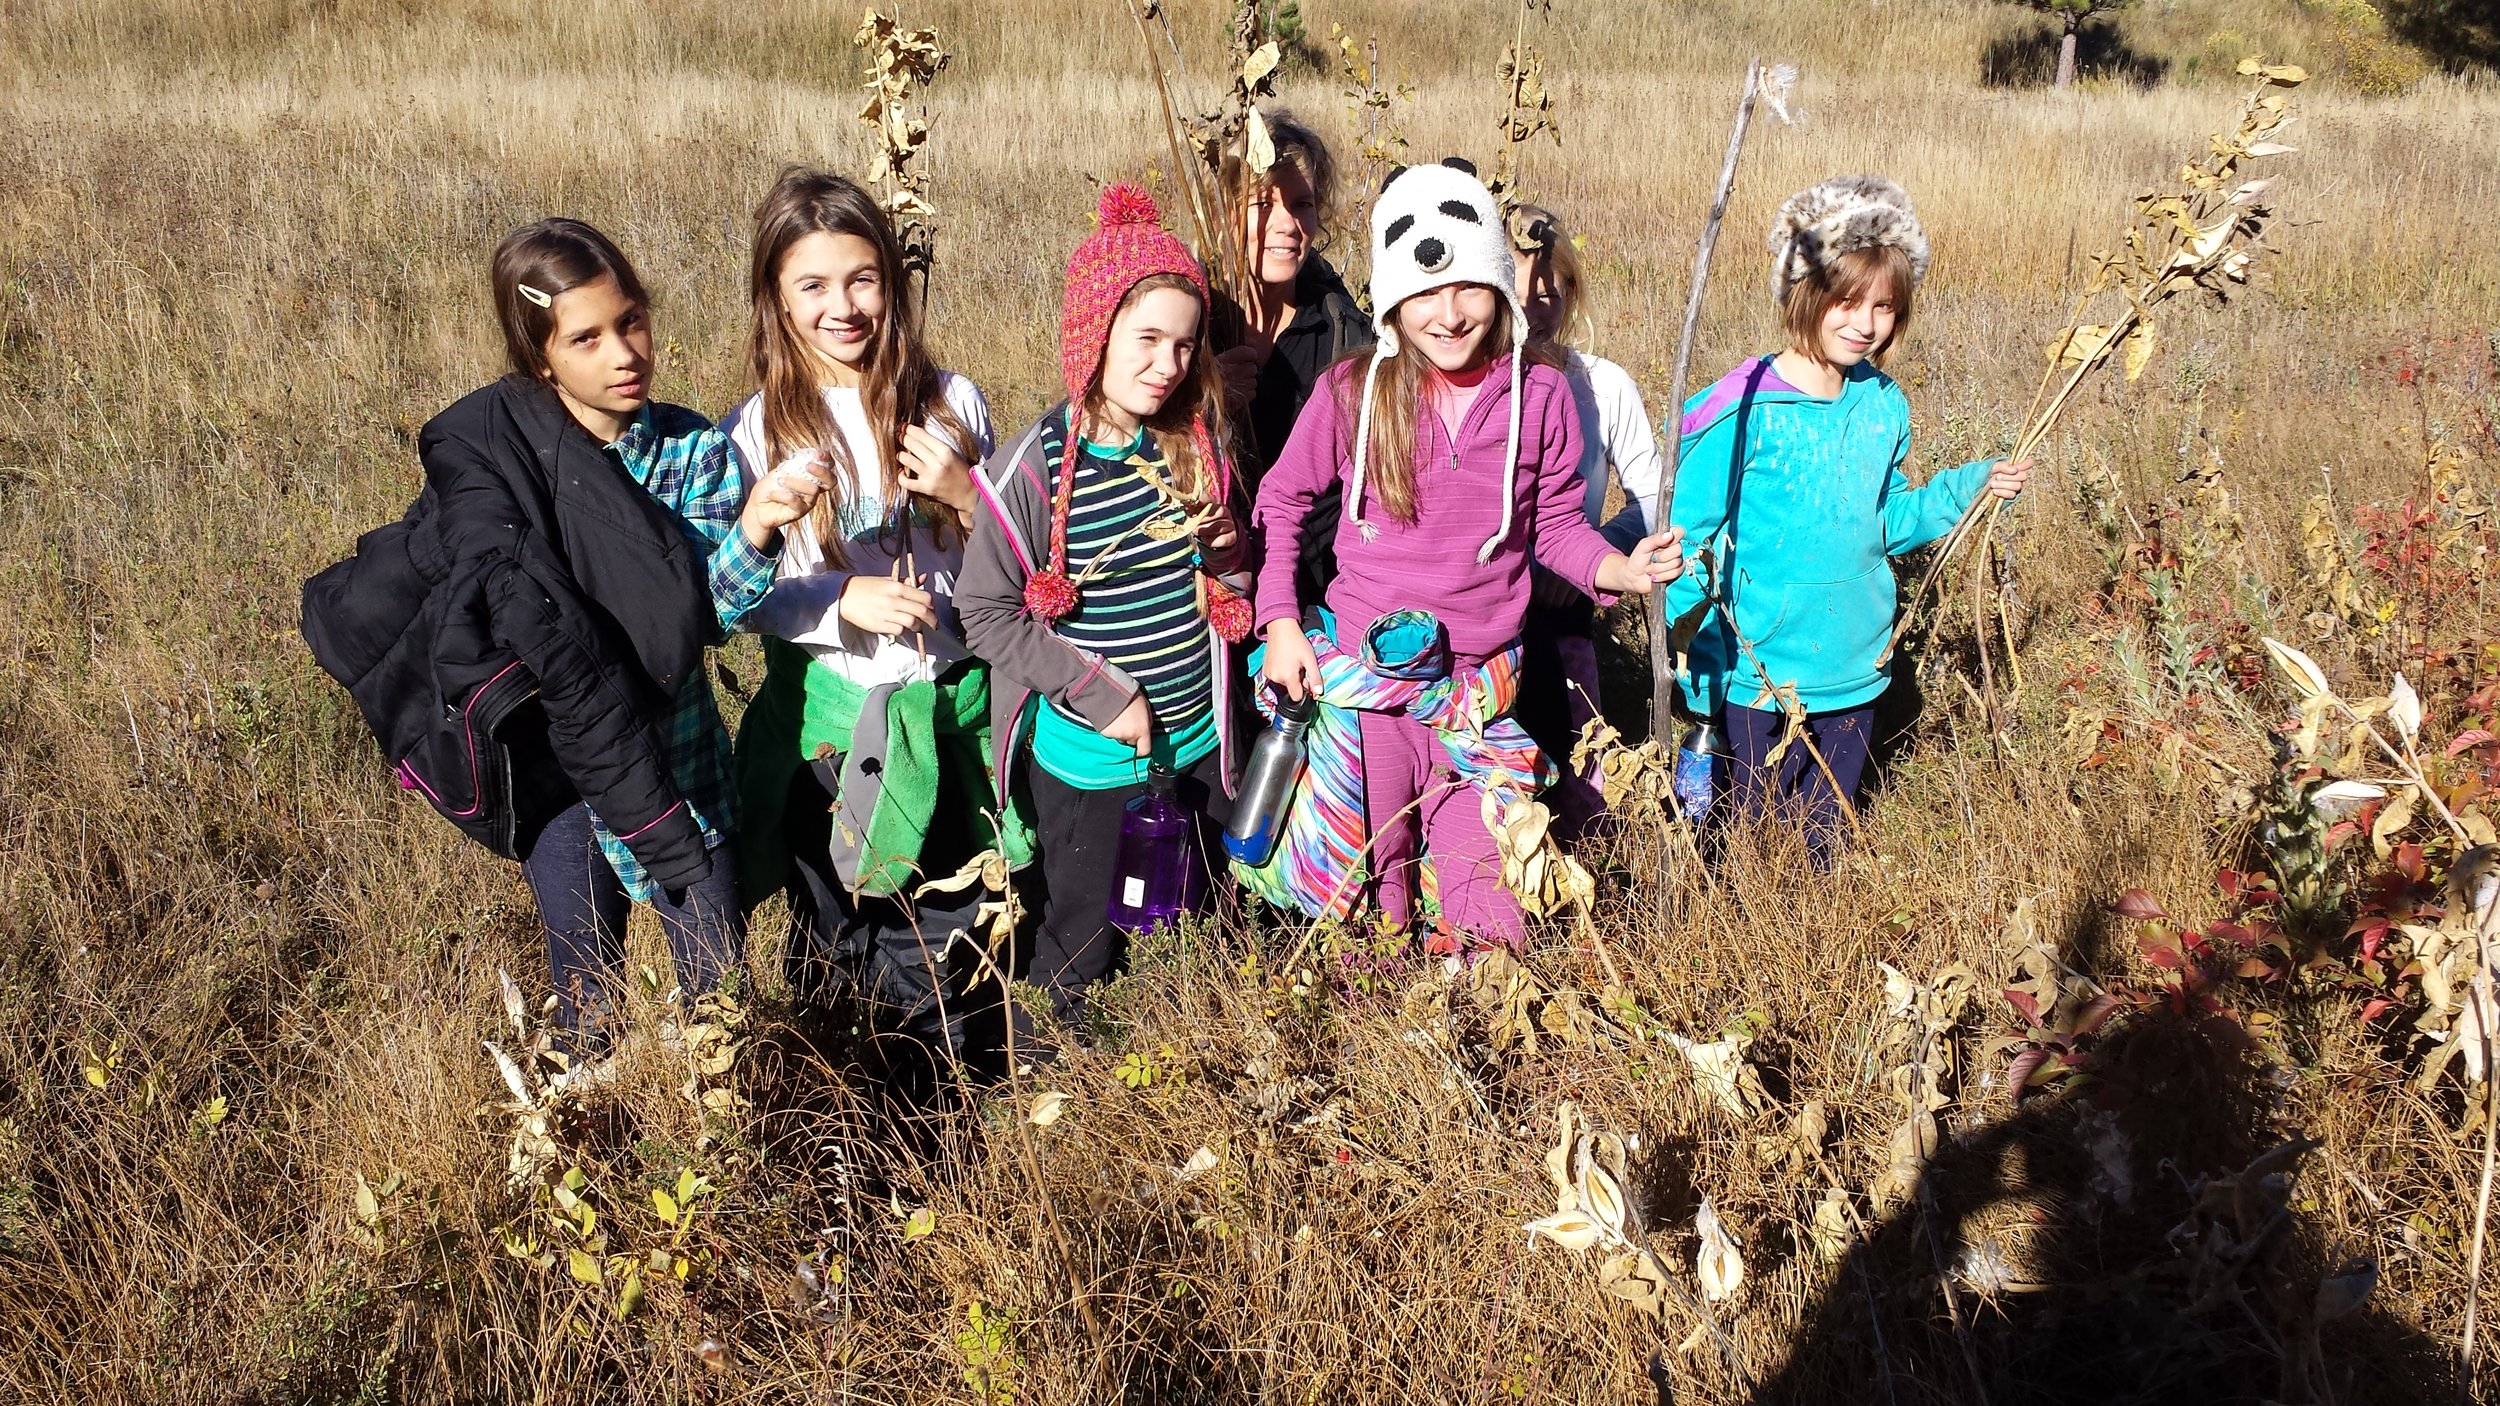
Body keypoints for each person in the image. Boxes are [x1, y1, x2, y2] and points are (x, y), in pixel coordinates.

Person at [1244, 160, 1684, 962]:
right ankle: (1379, 1059)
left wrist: (1618, 570)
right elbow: (1279, 505)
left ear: (1500, 288)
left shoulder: (1542, 398)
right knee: (1367, 895)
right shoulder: (1354, 392)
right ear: (1390, 299)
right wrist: (1279, 620)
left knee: (1488, 905)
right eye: (1422, 293)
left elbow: (1553, 528)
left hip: (1477, 696)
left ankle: (1478, 1043)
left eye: (1468, 289)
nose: (1447, 315)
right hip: (1366, 694)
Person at [433, 219, 827, 1070]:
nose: (623, 352)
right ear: (541, 359)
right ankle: (592, 1147)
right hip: (567, 779)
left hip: (683, 765)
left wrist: (756, 530)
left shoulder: (692, 452)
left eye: (632, 321)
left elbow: (703, 623)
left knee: (719, 994)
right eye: (586, 338)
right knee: (584, 996)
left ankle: (725, 1150)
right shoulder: (516, 464)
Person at [720, 168, 1021, 1108]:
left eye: (862, 279)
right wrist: (839, 603)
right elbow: (747, 589)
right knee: (833, 904)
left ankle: (939, 1096)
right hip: (833, 722)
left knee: (940, 909)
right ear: (775, 297)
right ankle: (833, 1092)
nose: (842, 306)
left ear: (892, 280)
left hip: (944, 715)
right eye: (812, 285)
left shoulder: (951, 403)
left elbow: (1013, 566)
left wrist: (966, 496)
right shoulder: (762, 428)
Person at [1663, 175, 2029, 868]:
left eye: (1884, 307)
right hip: (1757, 673)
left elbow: (1888, 522)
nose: (1864, 322)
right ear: (1803, 293)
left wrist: (1969, 489)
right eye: (1845, 301)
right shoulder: (1741, 409)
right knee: (1744, 839)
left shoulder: (1883, 405)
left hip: (1855, 668)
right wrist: (1700, 665)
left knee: (1820, 838)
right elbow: (1685, 542)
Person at [954, 184, 1247, 1030]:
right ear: (1095, 332)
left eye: (1186, 345)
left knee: (1196, 908)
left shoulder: (1194, 444)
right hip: (1093, 762)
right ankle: (1050, 1074)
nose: (1168, 364)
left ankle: (1190, 1053)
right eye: (1146, 338)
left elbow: (1225, 582)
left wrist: (1229, 560)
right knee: (1082, 933)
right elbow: (986, 611)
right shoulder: (1037, 467)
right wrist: (1102, 696)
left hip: (1197, 743)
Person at [1507, 203, 1665, 833]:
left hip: (1567, 606)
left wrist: (1597, 555)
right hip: (1488, 615)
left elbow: (1652, 495)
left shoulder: (1604, 385)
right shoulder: (1476, 386)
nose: (1537, 308)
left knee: (1577, 754)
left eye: (1553, 291)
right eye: (1520, 294)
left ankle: (1581, 866)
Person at [1210, 108, 1373, 612]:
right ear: (1222, 214)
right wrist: (1207, 400)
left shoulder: (1341, 332)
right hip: (1209, 578)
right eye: (1262, 204)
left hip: (1320, 590)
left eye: (1301, 205)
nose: (1286, 225)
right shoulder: (1189, 323)